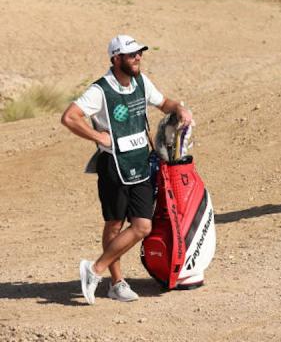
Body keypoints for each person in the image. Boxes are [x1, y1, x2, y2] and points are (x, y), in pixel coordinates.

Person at [61, 34, 192, 305]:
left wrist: (179, 108)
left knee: (142, 226)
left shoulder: (141, 82)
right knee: (115, 223)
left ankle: (94, 269)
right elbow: (70, 117)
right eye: (132, 55)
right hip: (113, 166)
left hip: (140, 163)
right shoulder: (100, 90)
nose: (138, 58)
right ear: (116, 58)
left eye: (139, 53)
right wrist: (98, 137)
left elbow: (163, 103)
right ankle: (117, 282)